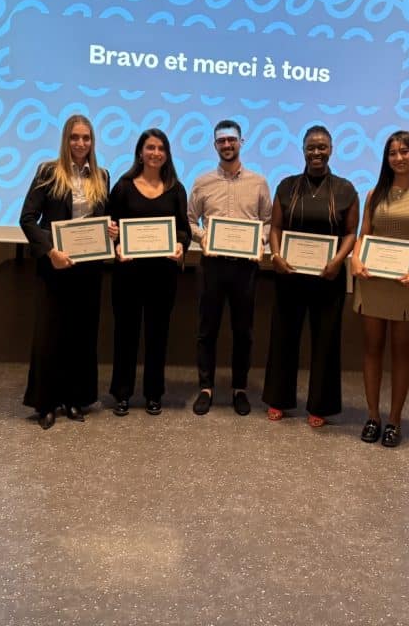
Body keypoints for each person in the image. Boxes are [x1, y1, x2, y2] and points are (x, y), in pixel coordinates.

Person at [18, 114, 115, 430]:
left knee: (81, 335)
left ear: (93, 141)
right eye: (75, 137)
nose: (80, 143)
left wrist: (111, 231)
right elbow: (28, 219)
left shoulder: (102, 176)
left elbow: (102, 220)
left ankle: (75, 398)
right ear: (66, 139)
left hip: (89, 269)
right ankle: (46, 403)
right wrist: (50, 251)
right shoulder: (48, 172)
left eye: (86, 138)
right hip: (55, 266)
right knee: (49, 334)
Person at [263, 125, 358, 428]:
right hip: (289, 275)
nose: (317, 152)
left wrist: (338, 261)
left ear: (331, 150)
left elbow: (351, 232)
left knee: (326, 340)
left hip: (328, 277)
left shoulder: (345, 189)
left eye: (322, 147)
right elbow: (276, 228)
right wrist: (276, 255)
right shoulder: (287, 186)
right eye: (311, 147)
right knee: (283, 337)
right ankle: (278, 399)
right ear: (303, 150)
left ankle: (320, 405)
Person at [352, 131, 409, 447]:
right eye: (392, 152)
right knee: (372, 348)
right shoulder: (374, 193)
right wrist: (355, 259)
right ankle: (373, 416)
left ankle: (394, 420)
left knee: (401, 352)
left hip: (408, 281)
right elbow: (363, 236)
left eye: (405, 151)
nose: (399, 158)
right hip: (373, 280)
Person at [187, 119, 272, 416]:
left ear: (241, 142)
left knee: (243, 331)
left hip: (244, 268)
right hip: (211, 266)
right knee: (206, 330)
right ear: (215, 145)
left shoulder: (259, 182)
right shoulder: (202, 182)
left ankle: (239, 389)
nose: (227, 145)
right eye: (221, 141)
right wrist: (203, 237)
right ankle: (206, 388)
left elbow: (268, 221)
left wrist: (260, 241)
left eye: (231, 140)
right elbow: (188, 220)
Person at [108, 128, 191, 416]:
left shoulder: (176, 189)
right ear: (140, 152)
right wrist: (116, 243)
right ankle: (122, 393)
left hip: (162, 275)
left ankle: (154, 393)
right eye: (150, 147)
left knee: (158, 335)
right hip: (128, 274)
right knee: (125, 334)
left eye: (161, 148)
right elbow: (111, 226)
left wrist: (180, 245)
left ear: (167, 154)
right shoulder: (123, 186)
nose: (156, 153)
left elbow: (184, 230)